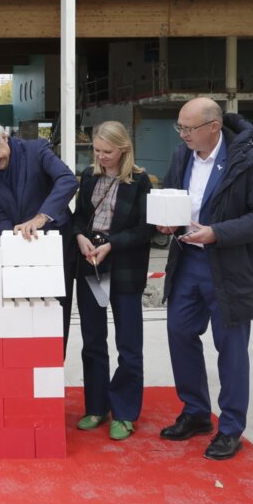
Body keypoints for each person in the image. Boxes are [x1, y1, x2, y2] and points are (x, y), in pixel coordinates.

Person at [157, 98, 253, 460]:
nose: (183, 135)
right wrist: (166, 221)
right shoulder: (183, 155)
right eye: (180, 127)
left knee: (230, 348)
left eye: (189, 128)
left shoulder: (249, 160)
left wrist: (218, 232)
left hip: (230, 268)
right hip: (187, 261)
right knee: (180, 334)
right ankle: (196, 412)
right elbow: (172, 195)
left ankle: (230, 428)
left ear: (214, 127)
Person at [72, 121, 154, 440]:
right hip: (91, 262)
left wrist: (112, 244)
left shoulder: (140, 180)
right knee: (93, 339)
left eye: (107, 151)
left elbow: (145, 228)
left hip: (125, 266)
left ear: (123, 149)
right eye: (96, 150)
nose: (101, 156)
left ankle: (125, 412)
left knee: (129, 343)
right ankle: (96, 406)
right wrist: (80, 237)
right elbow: (79, 216)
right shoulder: (89, 176)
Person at [0, 121, 79, 353]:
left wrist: (41, 217)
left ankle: (53, 364)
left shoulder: (37, 150)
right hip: (18, 253)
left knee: (54, 314)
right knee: (20, 316)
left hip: (54, 248)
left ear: (4, 138)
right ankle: (24, 366)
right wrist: (10, 239)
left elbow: (67, 180)